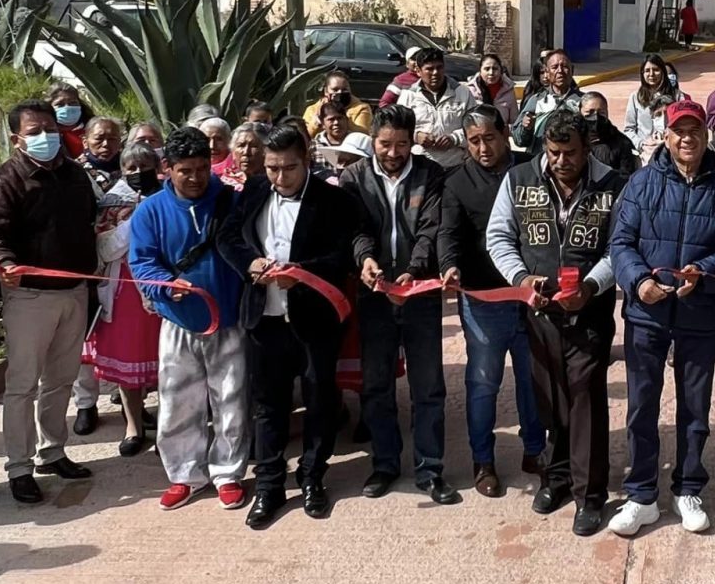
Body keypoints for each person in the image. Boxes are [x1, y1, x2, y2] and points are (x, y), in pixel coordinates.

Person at [608, 99, 715, 537]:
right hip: (647, 312)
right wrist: (638, 283)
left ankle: (688, 487)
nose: (687, 138)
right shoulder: (641, 182)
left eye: (695, 130)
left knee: (695, 406)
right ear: (667, 135)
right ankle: (641, 495)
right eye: (679, 131)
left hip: (701, 310)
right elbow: (621, 243)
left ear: (707, 134)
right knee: (642, 405)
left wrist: (707, 273)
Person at [488, 110, 624, 536]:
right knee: (551, 398)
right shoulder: (519, 178)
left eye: (570, 153)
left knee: (584, 398)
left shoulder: (614, 185)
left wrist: (593, 284)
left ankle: (591, 495)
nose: (561, 161)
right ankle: (557, 478)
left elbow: (621, 246)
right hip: (540, 311)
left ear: (587, 149)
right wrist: (520, 277)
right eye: (553, 152)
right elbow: (499, 236)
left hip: (590, 312)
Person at [218, 124, 358, 529]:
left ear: (308, 159)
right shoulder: (255, 191)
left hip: (313, 318)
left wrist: (302, 275)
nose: (280, 178)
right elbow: (227, 237)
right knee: (268, 404)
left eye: (289, 169)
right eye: (273, 167)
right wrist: (251, 263)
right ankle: (269, 485)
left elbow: (341, 256)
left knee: (319, 399)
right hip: (264, 318)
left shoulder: (333, 201)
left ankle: (313, 476)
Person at [0, 98, 99, 504]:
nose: (46, 137)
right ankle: (19, 466)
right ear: (16, 139)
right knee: (22, 385)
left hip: (74, 293)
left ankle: (53, 450)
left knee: (61, 380)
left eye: (50, 129)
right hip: (29, 296)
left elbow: (89, 223)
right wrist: (5, 263)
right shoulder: (4, 181)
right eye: (35, 132)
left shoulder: (76, 175)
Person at [339, 105, 456, 504]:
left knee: (428, 386)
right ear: (373, 140)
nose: (393, 153)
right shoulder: (353, 177)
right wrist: (366, 261)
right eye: (385, 144)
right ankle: (385, 464)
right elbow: (355, 229)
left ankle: (430, 468)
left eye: (402, 144)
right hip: (373, 294)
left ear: (412, 142)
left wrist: (415, 270)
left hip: (419, 292)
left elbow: (431, 228)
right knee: (376, 384)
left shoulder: (431, 174)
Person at [129, 127, 247, 511]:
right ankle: (184, 474)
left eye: (202, 168)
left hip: (229, 319)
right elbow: (141, 261)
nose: (196, 178)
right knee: (178, 400)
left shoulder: (231, 200)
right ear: (168, 169)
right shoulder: (149, 211)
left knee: (230, 398)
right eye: (186, 170)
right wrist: (165, 284)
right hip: (179, 321)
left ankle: (228, 472)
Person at [437, 106, 545, 498]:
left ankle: (535, 450)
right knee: (483, 383)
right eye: (474, 141)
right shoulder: (457, 183)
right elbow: (448, 233)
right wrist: (449, 266)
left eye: (489, 138)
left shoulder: (530, 170)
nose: (483, 148)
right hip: (484, 301)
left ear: (505, 135)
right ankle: (484, 461)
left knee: (533, 381)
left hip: (530, 298)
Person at [83, 141, 161, 458]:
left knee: (167, 363)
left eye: (145, 167)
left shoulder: (170, 196)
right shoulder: (111, 202)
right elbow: (106, 249)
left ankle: (168, 428)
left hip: (161, 287)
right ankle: (133, 426)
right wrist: (138, 218)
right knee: (129, 363)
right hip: (124, 290)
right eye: (131, 167)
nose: (138, 173)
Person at [405, 47, 475, 170]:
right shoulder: (408, 96)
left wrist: (455, 138)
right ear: (418, 71)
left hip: (455, 166)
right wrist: (416, 136)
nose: (435, 73)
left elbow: (475, 128)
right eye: (429, 69)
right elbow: (398, 130)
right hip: (419, 168)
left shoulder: (462, 93)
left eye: (439, 67)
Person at [514, 49, 581, 153]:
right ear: (547, 73)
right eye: (554, 67)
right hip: (539, 161)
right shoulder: (536, 100)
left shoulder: (583, 102)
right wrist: (526, 128)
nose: (560, 71)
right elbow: (519, 140)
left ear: (572, 70)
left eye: (565, 67)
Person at [623, 54, 673, 165]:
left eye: (656, 70)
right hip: (644, 156)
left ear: (663, 72)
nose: (651, 74)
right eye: (647, 71)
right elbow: (628, 129)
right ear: (642, 74)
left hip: (670, 153)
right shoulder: (635, 97)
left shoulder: (676, 97)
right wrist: (642, 144)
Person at [579, 92, 639, 176]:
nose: (596, 117)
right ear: (580, 112)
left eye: (601, 113)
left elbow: (626, 176)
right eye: (590, 112)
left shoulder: (622, 143)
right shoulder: (573, 141)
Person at [303, 70, 373, 138]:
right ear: (326, 91)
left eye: (344, 89)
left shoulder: (361, 108)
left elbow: (363, 135)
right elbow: (305, 137)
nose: (340, 92)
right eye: (335, 90)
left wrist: (343, 119)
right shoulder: (312, 110)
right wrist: (317, 121)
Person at [465, 53, 519, 127]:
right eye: (487, 69)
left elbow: (515, 122)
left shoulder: (508, 90)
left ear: (501, 71)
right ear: (480, 70)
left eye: (495, 69)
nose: (491, 73)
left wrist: (503, 130)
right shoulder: (469, 91)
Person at [47, 81, 91, 158]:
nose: (67, 108)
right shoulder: (49, 136)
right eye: (60, 104)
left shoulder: (94, 127)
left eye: (72, 103)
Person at [79, 116, 123, 192]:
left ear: (119, 142)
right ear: (85, 142)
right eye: (99, 138)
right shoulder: (77, 171)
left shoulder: (131, 164)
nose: (106, 144)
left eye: (112, 139)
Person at [223, 121, 267, 190]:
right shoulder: (225, 184)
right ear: (233, 151)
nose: (246, 152)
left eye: (253, 146)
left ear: (265, 150)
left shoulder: (272, 184)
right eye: (241, 145)